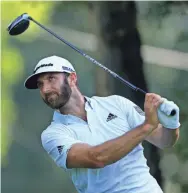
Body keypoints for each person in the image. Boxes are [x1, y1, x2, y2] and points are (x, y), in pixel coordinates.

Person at [24, 55, 180, 193]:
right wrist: (146, 126)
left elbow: (164, 141)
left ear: (72, 78)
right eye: (40, 84)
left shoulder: (117, 104)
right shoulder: (53, 134)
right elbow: (96, 158)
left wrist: (171, 122)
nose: (45, 89)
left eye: (51, 79)